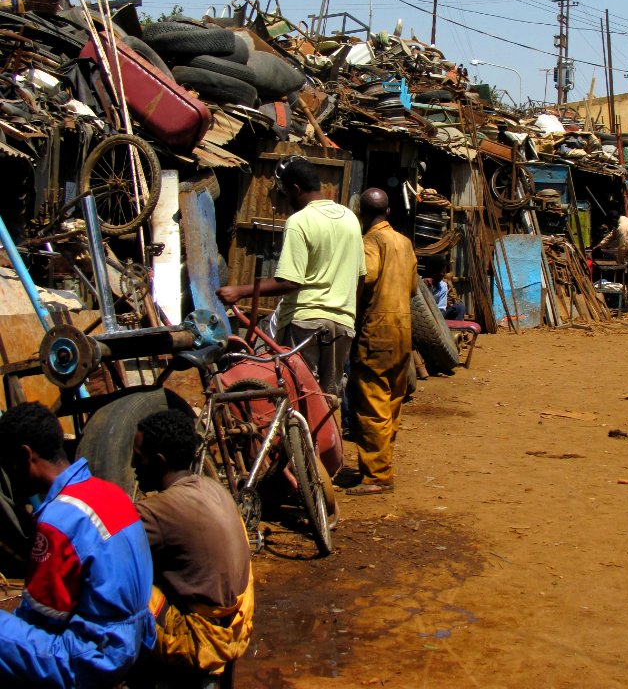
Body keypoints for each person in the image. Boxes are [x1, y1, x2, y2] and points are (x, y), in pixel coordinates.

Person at [0, 402, 155, 688]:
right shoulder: (110, 492)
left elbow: (42, 616)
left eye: (9, 465)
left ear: (25, 456)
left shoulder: (58, 520)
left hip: (97, 655)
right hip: (136, 639)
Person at [218, 156, 366, 399]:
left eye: (286, 194)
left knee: (298, 395)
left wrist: (239, 291)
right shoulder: (350, 218)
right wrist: (347, 311)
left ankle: (299, 437)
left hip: (304, 323)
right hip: (342, 325)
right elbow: (361, 277)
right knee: (328, 399)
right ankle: (324, 438)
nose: (286, 201)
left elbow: (290, 281)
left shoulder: (299, 221)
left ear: (295, 189)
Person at [130, 409, 254, 681]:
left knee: (121, 588)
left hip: (199, 639)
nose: (132, 465)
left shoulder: (156, 511)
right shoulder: (213, 488)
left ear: (159, 461)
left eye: (139, 458)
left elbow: (107, 555)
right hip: (235, 625)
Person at [347, 188, 417, 495]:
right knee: (391, 402)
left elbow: (368, 275)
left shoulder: (370, 242)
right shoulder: (404, 242)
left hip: (377, 328)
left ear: (363, 213)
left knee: (373, 402)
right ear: (387, 212)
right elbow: (413, 288)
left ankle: (377, 476)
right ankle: (382, 464)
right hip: (403, 328)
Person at [424, 256, 466, 320]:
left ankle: (454, 327)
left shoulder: (443, 285)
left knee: (460, 307)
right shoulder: (418, 284)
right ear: (435, 272)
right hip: (422, 314)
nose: (444, 274)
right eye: (443, 272)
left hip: (438, 315)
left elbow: (441, 309)